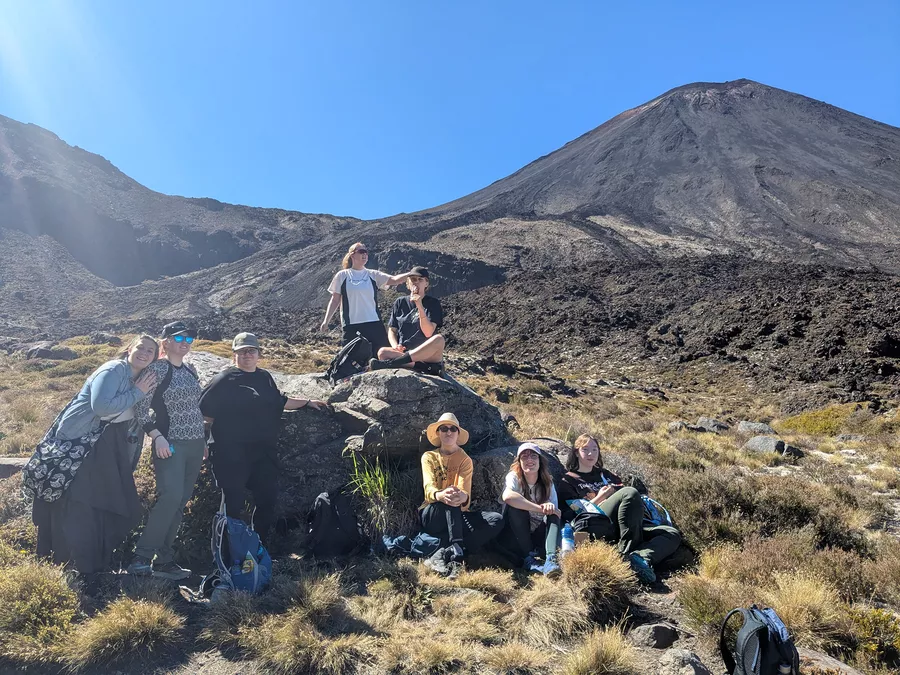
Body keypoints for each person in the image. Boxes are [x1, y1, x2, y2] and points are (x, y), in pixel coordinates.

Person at [32, 335, 159, 573]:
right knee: (81, 501)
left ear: (155, 356)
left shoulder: (140, 376)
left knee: (102, 500)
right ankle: (71, 562)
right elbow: (101, 406)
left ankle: (92, 561)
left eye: (150, 350)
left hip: (107, 442)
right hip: (82, 443)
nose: (144, 353)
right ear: (129, 348)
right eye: (140, 347)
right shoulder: (113, 370)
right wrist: (138, 392)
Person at [199, 332, 328, 545]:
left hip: (262, 452)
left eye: (251, 350)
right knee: (233, 503)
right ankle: (228, 551)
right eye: (242, 351)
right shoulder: (223, 380)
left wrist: (307, 402)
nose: (247, 355)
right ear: (234, 355)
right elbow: (203, 414)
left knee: (267, 499)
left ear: (259, 353)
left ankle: (259, 547)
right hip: (230, 453)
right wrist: (202, 442)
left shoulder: (264, 377)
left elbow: (278, 401)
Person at [128, 321, 207, 580]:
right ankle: (141, 557)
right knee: (170, 497)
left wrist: (204, 441)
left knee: (180, 501)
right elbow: (141, 408)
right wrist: (157, 436)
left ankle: (164, 560)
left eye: (189, 339)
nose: (184, 343)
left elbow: (196, 410)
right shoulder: (157, 370)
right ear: (166, 342)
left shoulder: (191, 370)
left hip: (196, 445)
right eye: (179, 338)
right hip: (170, 444)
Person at [557, 434, 682, 583]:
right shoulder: (568, 481)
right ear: (576, 452)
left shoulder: (606, 475)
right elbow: (573, 517)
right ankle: (625, 552)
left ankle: (639, 558)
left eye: (595, 449)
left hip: (629, 524)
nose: (591, 454)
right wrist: (600, 498)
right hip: (599, 525)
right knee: (629, 492)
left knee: (671, 533)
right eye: (585, 449)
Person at [417, 413, 503, 576]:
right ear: (438, 433)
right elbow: (428, 489)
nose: (448, 432)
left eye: (452, 429)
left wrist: (462, 497)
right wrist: (441, 495)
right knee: (450, 496)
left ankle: (444, 551)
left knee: (496, 520)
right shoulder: (429, 457)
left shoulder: (465, 460)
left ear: (457, 433)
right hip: (433, 512)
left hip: (457, 515)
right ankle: (458, 556)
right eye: (444, 428)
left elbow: (464, 493)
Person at [318, 242, 415, 350]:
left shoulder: (373, 274)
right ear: (352, 255)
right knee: (352, 359)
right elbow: (335, 300)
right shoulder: (342, 275)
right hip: (351, 325)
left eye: (366, 252)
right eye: (361, 252)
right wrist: (326, 321)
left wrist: (411, 273)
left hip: (374, 323)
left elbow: (394, 280)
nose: (365, 254)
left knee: (381, 355)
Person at [496, 442, 562, 577]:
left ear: (540, 461)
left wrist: (550, 508)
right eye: (524, 457)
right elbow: (508, 496)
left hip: (536, 533)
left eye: (533, 456)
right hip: (515, 534)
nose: (529, 460)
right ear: (519, 462)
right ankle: (528, 558)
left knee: (554, 514)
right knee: (516, 508)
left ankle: (551, 559)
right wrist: (540, 508)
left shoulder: (548, 482)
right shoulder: (514, 477)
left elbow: (556, 512)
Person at [368, 266, 446, 375]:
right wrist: (395, 346)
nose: (416, 283)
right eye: (413, 280)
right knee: (382, 353)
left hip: (428, 354)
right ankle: (424, 367)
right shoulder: (400, 303)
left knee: (439, 339)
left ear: (426, 283)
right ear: (407, 284)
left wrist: (419, 306)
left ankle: (397, 363)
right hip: (404, 352)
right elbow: (392, 330)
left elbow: (428, 333)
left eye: (420, 280)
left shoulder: (433, 303)